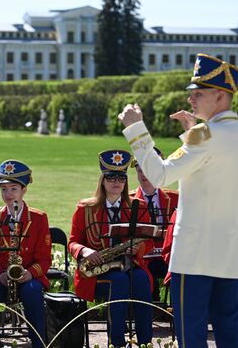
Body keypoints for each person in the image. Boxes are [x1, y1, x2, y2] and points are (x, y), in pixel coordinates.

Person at [119, 53, 238, 347]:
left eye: (199, 93)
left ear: (221, 96)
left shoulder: (203, 135)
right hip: (229, 255)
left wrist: (135, 129)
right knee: (230, 334)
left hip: (194, 257)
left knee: (191, 335)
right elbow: (212, 169)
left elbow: (158, 175)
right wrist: (191, 132)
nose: (192, 98)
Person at [68, 149, 153, 347]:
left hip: (128, 264)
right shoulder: (85, 209)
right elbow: (72, 242)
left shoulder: (137, 207)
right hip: (97, 271)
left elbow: (147, 240)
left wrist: (137, 249)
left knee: (141, 279)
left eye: (121, 178)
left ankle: (146, 342)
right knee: (120, 281)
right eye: (110, 177)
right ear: (102, 181)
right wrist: (86, 251)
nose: (116, 182)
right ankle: (116, 343)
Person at [0, 160, 51, 348]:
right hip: (0, 276)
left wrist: (30, 273)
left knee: (33, 292)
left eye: (14, 188)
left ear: (24, 190)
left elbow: (44, 258)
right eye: (4, 189)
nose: (8, 194)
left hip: (27, 276)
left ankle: (39, 342)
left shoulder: (39, 218)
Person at [130, 147, 179, 301]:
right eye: (140, 170)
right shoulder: (128, 200)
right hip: (142, 257)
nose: (144, 175)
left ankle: (178, 314)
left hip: (168, 256)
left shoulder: (176, 198)